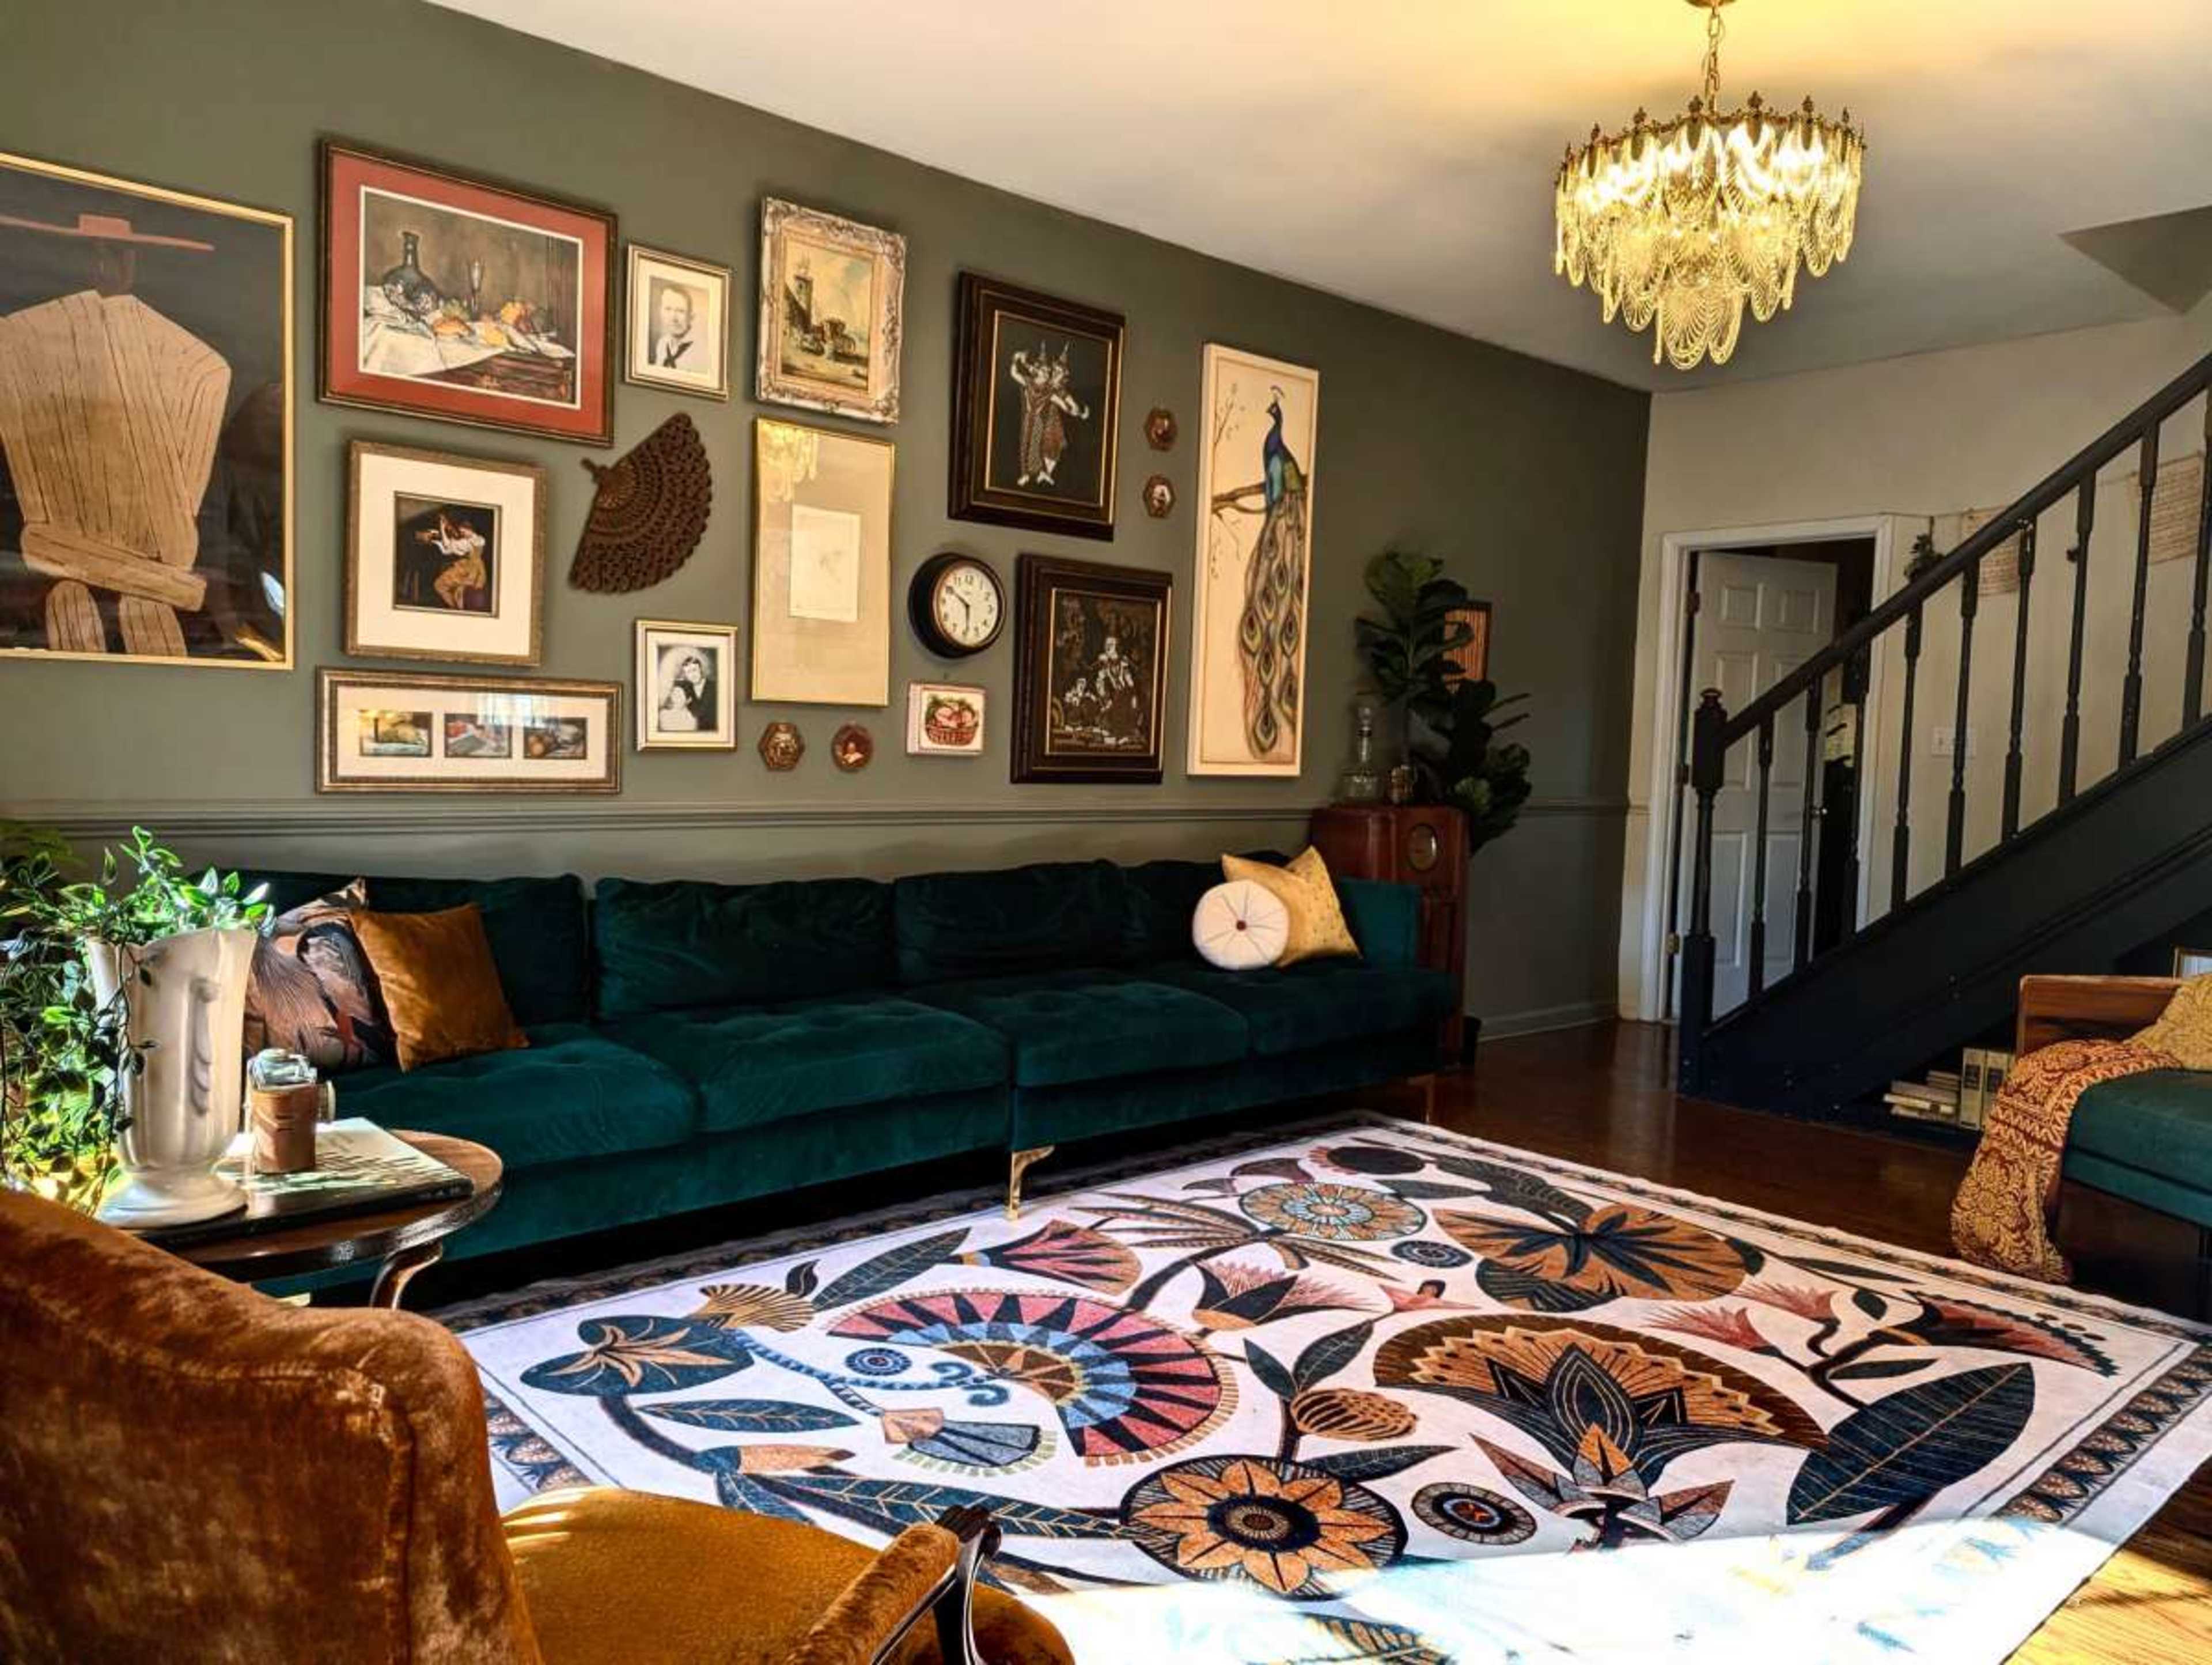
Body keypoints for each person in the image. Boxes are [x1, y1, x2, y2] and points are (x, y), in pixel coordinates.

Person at [417, 512, 487, 611]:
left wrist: (442, 528)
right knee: (446, 588)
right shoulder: (477, 539)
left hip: (468, 572)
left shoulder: (469, 542)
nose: (462, 534)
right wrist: (438, 539)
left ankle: (456, 608)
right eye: (461, 532)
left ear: (469, 529)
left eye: (463, 532)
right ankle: (456, 608)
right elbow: (448, 550)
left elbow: (448, 546)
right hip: (471, 569)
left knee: (440, 586)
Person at [658, 649, 712, 733]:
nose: (692, 675)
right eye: (688, 672)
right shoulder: (687, 688)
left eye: (694, 670)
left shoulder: (714, 687)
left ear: (701, 669)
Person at [650, 282, 699, 371]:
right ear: (661, 312)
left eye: (680, 311)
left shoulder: (699, 351)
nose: (673, 318)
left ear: (691, 317)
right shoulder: (662, 344)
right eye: (668, 309)